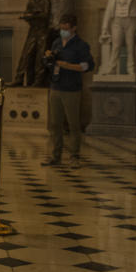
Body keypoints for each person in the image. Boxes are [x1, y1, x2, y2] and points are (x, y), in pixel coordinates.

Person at [41, 14, 94, 169]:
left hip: (71, 88)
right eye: (61, 28)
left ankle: (74, 156)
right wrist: (48, 58)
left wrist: (67, 65)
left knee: (73, 124)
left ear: (73, 28)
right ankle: (55, 156)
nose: (63, 31)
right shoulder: (57, 42)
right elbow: (51, 61)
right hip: (55, 86)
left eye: (66, 29)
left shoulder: (80, 45)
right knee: (54, 124)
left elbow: (88, 66)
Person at [10, 0, 52, 87]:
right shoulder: (31, 2)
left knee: (40, 56)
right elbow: (28, 14)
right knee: (26, 55)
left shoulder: (45, 1)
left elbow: (45, 15)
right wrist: (28, 16)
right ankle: (18, 78)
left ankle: (39, 80)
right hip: (33, 30)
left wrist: (32, 15)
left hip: (42, 31)